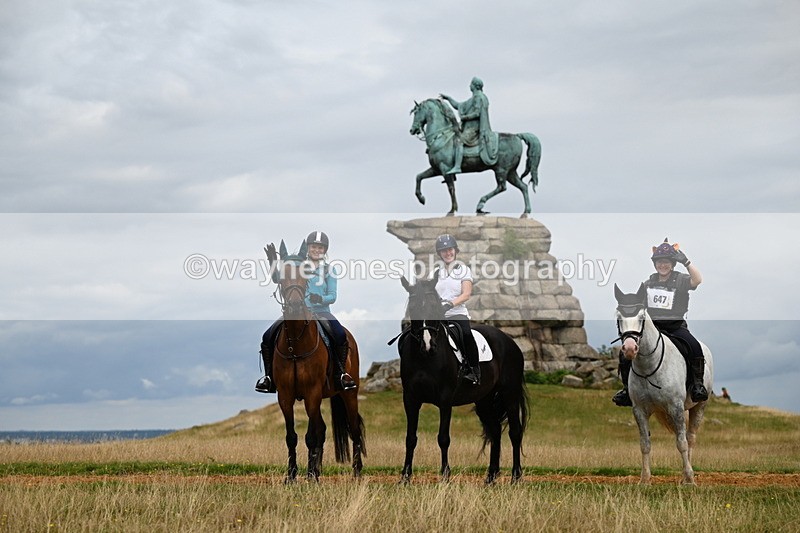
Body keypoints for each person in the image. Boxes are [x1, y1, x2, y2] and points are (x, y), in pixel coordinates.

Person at [256, 231, 356, 393]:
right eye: (313, 247)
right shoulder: (299, 267)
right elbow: (278, 278)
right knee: (267, 336)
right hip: (297, 312)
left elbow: (332, 296)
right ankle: (269, 378)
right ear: (308, 248)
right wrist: (273, 262)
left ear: (325, 250)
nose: (316, 250)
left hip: (322, 312)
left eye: (320, 247)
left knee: (340, 335)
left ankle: (341, 373)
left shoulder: (330, 270)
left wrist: (320, 298)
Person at [613, 238, 708, 406]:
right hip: (653, 328)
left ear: (672, 264)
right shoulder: (648, 283)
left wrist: (686, 262)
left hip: (675, 327)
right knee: (625, 353)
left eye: (666, 262)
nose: (662, 265)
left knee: (694, 347)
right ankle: (628, 390)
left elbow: (698, 280)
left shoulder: (681, 280)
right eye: (659, 262)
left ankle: (697, 386)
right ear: (655, 264)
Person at [432, 234, 480, 385]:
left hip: (457, 313)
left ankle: (474, 370)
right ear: (439, 253)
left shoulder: (464, 270)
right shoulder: (435, 272)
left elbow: (466, 294)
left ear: (455, 250)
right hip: (439, 315)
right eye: (444, 250)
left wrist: (450, 304)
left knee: (466, 334)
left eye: (450, 249)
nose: (448, 253)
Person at [440, 76, 496, 174]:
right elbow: (458, 105)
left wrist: (465, 117)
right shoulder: (473, 98)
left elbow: (477, 113)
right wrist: (448, 98)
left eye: (471, 84)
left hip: (474, 129)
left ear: (474, 86)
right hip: (469, 128)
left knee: (459, 141)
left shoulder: (479, 97)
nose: (469, 85)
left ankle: (457, 166)